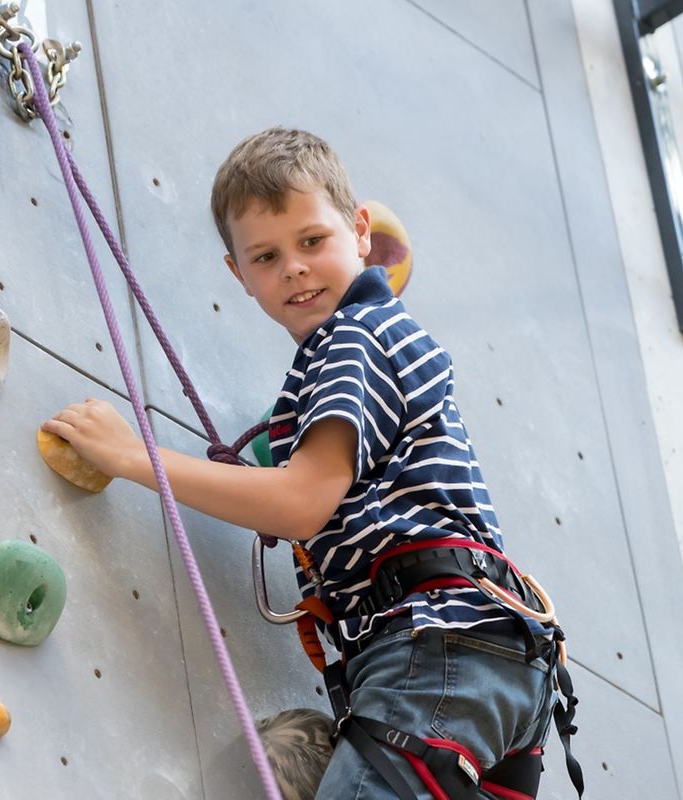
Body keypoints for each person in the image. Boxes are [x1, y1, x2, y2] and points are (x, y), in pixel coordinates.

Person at [42, 127, 563, 799]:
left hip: (436, 652)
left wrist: (132, 457)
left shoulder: (354, 339)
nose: (293, 267)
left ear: (361, 230)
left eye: (312, 241)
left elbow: (301, 501)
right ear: (239, 276)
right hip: (487, 663)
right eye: (265, 256)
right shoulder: (355, 349)